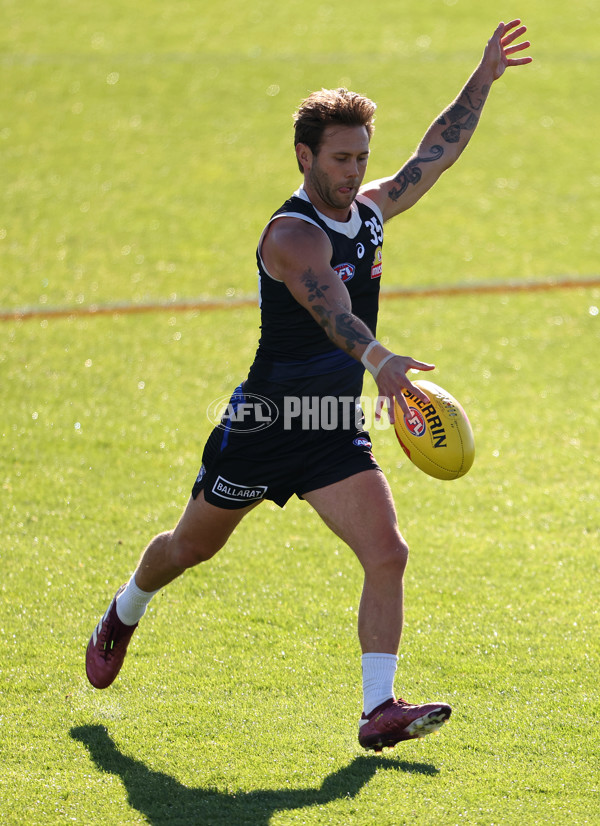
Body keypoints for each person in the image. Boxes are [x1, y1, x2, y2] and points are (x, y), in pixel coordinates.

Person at [86, 21, 532, 752]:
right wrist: (382, 359)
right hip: (265, 423)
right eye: (340, 158)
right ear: (304, 156)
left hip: (331, 425)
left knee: (388, 552)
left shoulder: (371, 213)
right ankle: (124, 610)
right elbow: (332, 309)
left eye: (362, 157)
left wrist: (482, 80)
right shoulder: (290, 237)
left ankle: (377, 708)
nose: (355, 172)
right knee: (191, 548)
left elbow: (435, 155)